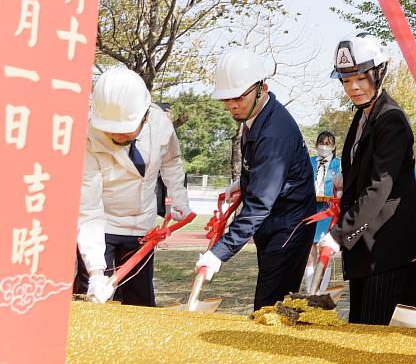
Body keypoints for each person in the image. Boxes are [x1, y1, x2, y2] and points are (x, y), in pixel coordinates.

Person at [195, 49, 316, 311]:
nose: (232, 106)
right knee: (272, 304)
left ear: (262, 88)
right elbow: (263, 170)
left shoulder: (274, 131)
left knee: (269, 307)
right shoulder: (256, 117)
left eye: (238, 97)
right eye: (226, 99)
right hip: (276, 222)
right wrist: (244, 181)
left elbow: (259, 205)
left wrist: (219, 252)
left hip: (288, 227)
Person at [317, 31, 416, 325]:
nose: (353, 87)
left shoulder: (391, 119)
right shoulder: (364, 114)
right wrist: (345, 176)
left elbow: (379, 188)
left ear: (380, 72)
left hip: (388, 252)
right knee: (359, 328)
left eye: (361, 78)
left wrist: (338, 235)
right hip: (366, 248)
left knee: (375, 342)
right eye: (346, 80)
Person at [75, 67, 192, 306]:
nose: (117, 136)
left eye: (124, 129)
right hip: (103, 227)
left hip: (142, 229)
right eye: (111, 130)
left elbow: (171, 162)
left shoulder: (160, 124)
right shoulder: (87, 137)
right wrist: (96, 273)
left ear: (145, 115)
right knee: (94, 302)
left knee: (140, 304)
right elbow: (89, 209)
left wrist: (179, 198)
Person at [304, 131, 342, 292]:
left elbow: (341, 188)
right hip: (310, 209)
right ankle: (309, 291)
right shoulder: (308, 161)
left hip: (328, 212)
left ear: (333, 147)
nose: (324, 146)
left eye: (327, 144)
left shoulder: (338, 164)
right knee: (309, 252)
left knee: (324, 251)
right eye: (321, 143)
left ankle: (320, 291)